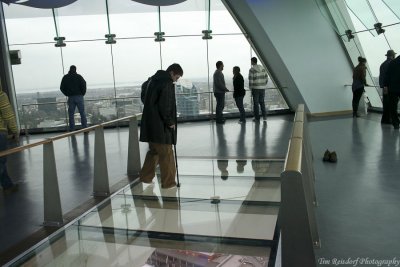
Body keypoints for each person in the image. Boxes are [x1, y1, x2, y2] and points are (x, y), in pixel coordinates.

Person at [139, 63, 183, 189]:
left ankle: (145, 178)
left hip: (150, 126)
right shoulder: (166, 83)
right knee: (167, 153)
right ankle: (169, 183)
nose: (176, 80)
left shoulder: (151, 81)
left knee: (154, 152)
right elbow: (165, 105)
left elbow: (145, 99)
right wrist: (170, 122)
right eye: (177, 77)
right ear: (172, 73)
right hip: (160, 127)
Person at [0, 87, 19, 194]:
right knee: (1, 162)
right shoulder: (1, 95)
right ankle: (7, 187)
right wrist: (15, 131)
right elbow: (8, 115)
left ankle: (7, 186)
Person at [60, 65, 87, 131]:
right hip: (79, 96)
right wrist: (82, 94)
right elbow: (84, 84)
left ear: (70, 69)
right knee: (82, 113)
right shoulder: (79, 77)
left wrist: (67, 94)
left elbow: (62, 87)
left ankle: (72, 129)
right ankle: (85, 128)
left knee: (71, 114)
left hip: (71, 97)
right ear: (75, 69)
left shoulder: (66, 77)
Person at [249, 57, 268, 122]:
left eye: (251, 61)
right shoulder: (263, 68)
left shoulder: (252, 69)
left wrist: (251, 87)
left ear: (252, 62)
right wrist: (263, 84)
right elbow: (266, 78)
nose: (251, 62)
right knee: (262, 102)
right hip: (262, 88)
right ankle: (265, 117)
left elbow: (251, 80)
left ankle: (257, 118)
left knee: (256, 103)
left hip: (255, 88)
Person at [379, 50, 396, 124]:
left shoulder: (382, 64)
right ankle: (389, 119)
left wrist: (382, 85)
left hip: (384, 87)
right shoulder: (392, 63)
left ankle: (384, 119)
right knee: (391, 103)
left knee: (386, 103)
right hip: (391, 87)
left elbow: (381, 76)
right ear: (393, 55)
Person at [384, 54, 400, 129]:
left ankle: (396, 123)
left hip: (392, 88)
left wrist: (386, 86)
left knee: (393, 107)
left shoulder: (393, 62)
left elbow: (387, 75)